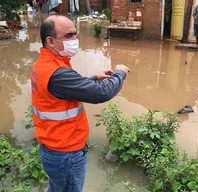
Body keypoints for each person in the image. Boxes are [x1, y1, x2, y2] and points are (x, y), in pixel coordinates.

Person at [30, 15, 130, 192]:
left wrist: (93, 78)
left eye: (75, 34)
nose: (75, 40)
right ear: (51, 41)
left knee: (56, 188)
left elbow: (63, 91)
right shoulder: (58, 72)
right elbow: (102, 93)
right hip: (66, 153)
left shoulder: (45, 65)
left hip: (52, 148)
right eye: (69, 36)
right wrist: (119, 74)